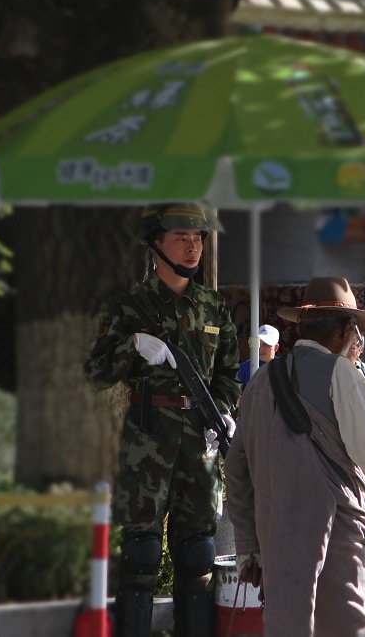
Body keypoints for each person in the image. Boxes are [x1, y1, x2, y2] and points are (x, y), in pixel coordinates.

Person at [224, 276, 365, 636]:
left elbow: (236, 468)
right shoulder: (340, 373)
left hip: (277, 553)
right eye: (355, 333)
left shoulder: (261, 381)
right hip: (334, 552)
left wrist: (249, 547)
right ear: (345, 330)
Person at [85, 202, 241, 637]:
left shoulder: (213, 307)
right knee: (140, 553)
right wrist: (131, 344)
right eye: (181, 239)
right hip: (148, 438)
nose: (193, 249)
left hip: (200, 441)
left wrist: (224, 412)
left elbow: (229, 375)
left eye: (198, 239)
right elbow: (96, 373)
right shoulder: (130, 306)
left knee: (198, 555)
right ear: (156, 244)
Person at [237, 324, 279, 389]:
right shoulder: (244, 368)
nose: (261, 348)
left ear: (276, 347)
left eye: (266, 344)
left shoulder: (284, 369)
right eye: (258, 343)